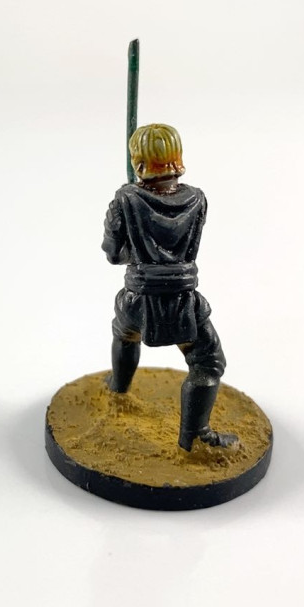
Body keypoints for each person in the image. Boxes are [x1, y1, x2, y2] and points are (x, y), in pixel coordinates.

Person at [102, 123, 238, 451]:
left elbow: (115, 255)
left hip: (137, 300)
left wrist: (123, 219)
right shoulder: (197, 200)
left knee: (125, 334)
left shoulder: (125, 199)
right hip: (181, 302)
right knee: (207, 363)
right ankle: (195, 433)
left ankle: (118, 386)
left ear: (139, 163)